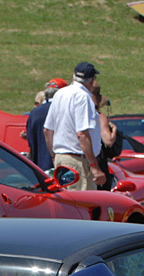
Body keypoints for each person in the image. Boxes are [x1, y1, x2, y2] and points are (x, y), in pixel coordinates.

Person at [44, 62, 104, 190]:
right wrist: (94, 166)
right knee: (82, 205)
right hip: (78, 162)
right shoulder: (83, 97)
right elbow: (82, 134)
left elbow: (47, 130)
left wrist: (55, 157)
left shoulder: (60, 94)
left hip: (61, 158)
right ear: (92, 80)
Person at [25, 77, 66, 170]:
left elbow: (31, 141)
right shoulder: (64, 110)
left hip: (40, 167)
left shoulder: (34, 113)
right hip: (61, 165)